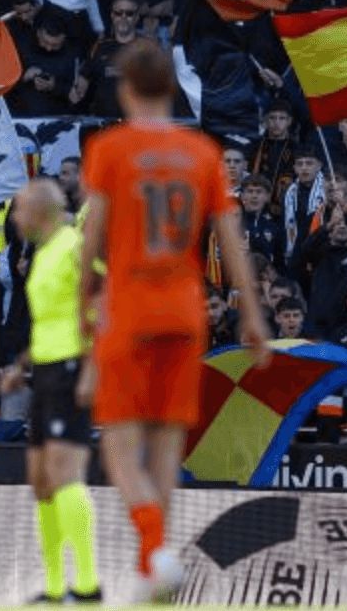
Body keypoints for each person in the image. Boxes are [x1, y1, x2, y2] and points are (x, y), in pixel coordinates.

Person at [77, 41, 270, 601]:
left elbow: (91, 245)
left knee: (117, 441)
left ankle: (154, 545)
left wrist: (85, 316)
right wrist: (252, 314)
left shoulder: (111, 149)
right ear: (172, 87)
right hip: (186, 308)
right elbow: (231, 240)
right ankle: (151, 567)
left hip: (131, 305)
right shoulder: (202, 152)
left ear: (126, 89)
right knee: (166, 443)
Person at [0, 178, 101, 605]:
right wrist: (21, 366)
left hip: (73, 369)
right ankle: (56, 588)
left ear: (41, 209)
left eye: (19, 210)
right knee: (41, 482)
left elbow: (105, 306)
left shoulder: (77, 247)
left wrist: (93, 370)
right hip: (45, 370)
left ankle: (88, 586)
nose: (15, 219)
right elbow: (51, 321)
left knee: (64, 474)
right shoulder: (43, 252)